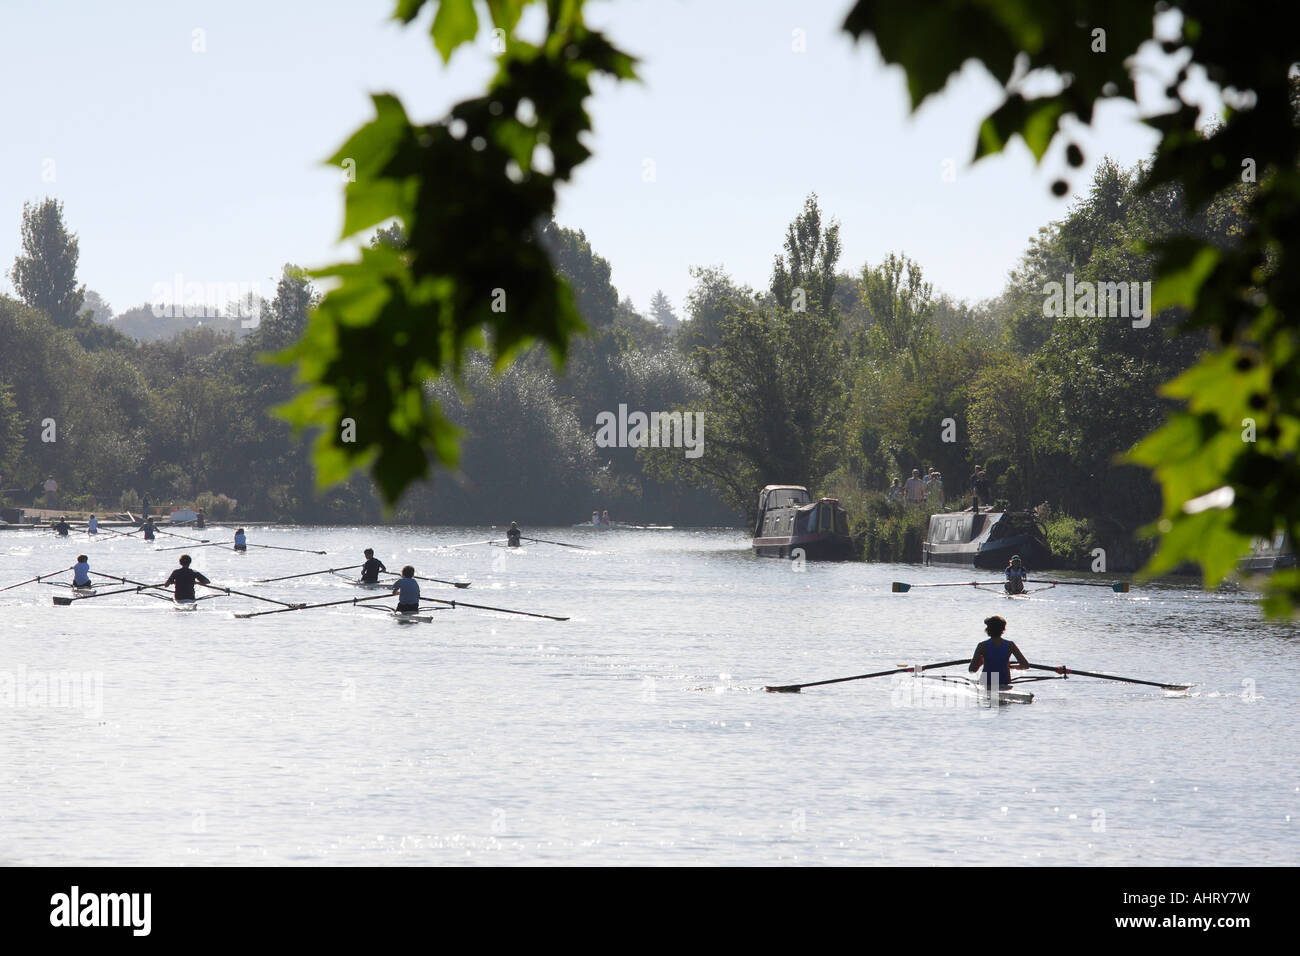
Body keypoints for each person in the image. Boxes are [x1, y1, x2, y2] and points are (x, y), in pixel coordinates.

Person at [969, 615, 1029, 689]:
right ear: (1003, 629)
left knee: (991, 697)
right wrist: (1011, 666)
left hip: (988, 682)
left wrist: (981, 662)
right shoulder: (1010, 645)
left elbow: (972, 669)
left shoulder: (982, 646)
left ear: (988, 629)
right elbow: (1025, 665)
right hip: (1004, 681)